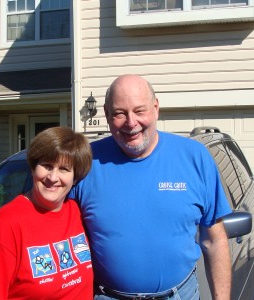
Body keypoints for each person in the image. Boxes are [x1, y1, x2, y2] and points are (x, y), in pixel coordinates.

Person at [69, 74, 232, 300]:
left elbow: (214, 239)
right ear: (106, 114)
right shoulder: (85, 163)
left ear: (156, 108)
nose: (131, 122)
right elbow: (49, 224)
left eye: (139, 110)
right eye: (119, 113)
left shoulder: (195, 158)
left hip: (180, 295)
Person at [0, 127, 94, 299]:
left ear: (75, 177)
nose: (53, 177)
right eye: (47, 166)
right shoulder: (3, 226)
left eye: (64, 169)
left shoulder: (78, 213)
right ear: (33, 168)